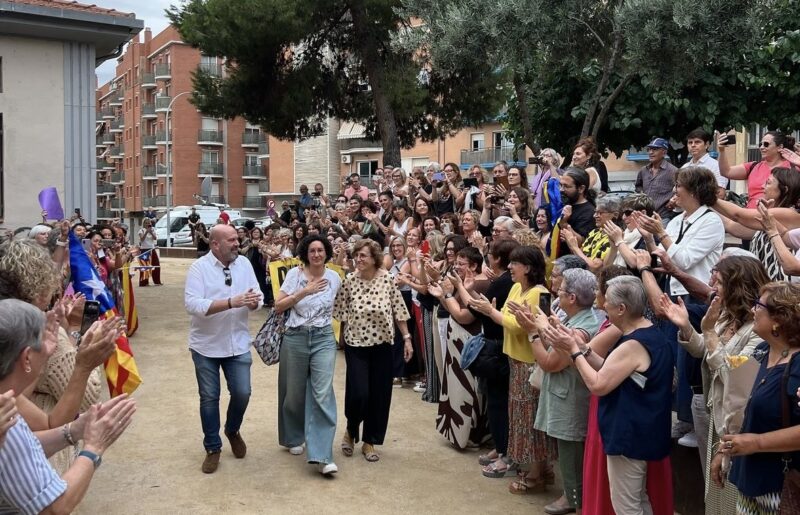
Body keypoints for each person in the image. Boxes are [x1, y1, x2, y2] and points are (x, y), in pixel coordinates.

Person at [0, 299, 137, 514]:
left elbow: (24, 444)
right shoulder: (4, 416)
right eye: (43, 342)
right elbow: (54, 508)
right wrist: (94, 447)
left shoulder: (7, 403)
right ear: (26, 357)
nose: (49, 349)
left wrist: (72, 431)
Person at [660, 257, 768, 514]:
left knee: (730, 497)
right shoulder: (725, 315)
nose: (710, 285)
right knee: (716, 495)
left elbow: (734, 374)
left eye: (717, 281)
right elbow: (704, 352)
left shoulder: (759, 328)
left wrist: (708, 332)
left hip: (739, 421)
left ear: (737, 284)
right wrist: (686, 326)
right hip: (717, 414)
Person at [558, 276, 673, 514]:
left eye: (607, 302)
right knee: (638, 501)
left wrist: (573, 352)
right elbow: (612, 370)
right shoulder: (653, 336)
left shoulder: (632, 345)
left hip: (630, 435)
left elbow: (599, 385)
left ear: (622, 308)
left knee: (627, 506)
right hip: (645, 431)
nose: (602, 306)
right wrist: (582, 348)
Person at [468, 246, 554, 495]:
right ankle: (541, 468)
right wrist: (497, 313)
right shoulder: (517, 288)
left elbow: (516, 325)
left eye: (515, 263)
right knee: (522, 417)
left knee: (531, 420)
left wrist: (492, 312)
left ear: (527, 267)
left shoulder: (540, 293)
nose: (510, 268)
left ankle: (537, 473)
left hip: (530, 363)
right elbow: (508, 317)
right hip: (515, 361)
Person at [519, 268, 602, 515]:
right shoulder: (572, 319)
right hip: (565, 395)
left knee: (571, 454)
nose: (557, 291)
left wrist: (533, 331)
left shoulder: (581, 328)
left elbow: (549, 362)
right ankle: (572, 496)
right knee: (568, 452)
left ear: (573, 297)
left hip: (572, 400)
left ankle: (573, 499)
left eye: (562, 289)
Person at [184, 224, 262, 473]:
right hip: (206, 346)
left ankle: (232, 429)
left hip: (237, 343)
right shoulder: (199, 268)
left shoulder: (245, 265)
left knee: (243, 392)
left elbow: (257, 296)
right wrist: (231, 302)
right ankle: (213, 447)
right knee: (209, 398)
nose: (237, 243)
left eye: (237, 239)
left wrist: (252, 303)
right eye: (231, 240)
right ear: (215, 244)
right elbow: (193, 304)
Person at [720, 282, 800, 512]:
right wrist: (723, 451)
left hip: (780, 487)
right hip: (750, 482)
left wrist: (756, 443)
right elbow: (744, 408)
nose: (752, 310)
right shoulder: (761, 352)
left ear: (779, 319)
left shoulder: (797, 365)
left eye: (758, 305)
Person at [333, 239, 412, 462]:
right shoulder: (349, 281)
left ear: (374, 258)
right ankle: (351, 429)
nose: (358, 259)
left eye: (363, 256)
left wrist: (406, 338)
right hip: (356, 344)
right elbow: (340, 311)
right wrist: (338, 339)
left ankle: (370, 441)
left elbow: (399, 310)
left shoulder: (387, 279)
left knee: (379, 394)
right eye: (356, 255)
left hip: (383, 345)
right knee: (359, 392)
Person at [275, 235, 341, 476]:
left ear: (326, 253)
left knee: (322, 393)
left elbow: (343, 304)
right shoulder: (294, 275)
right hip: (295, 337)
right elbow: (278, 305)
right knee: (293, 392)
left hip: (324, 337)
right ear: (305, 253)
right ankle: (293, 436)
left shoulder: (335, 277)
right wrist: (305, 291)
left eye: (320, 250)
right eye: (312, 250)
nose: (316, 254)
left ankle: (322, 454)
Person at [636, 166, 725, 298]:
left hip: (695, 295)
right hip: (672, 289)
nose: (673, 190)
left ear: (694, 191)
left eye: (678, 186)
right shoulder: (677, 220)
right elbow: (662, 259)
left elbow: (684, 261)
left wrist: (661, 233)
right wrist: (649, 238)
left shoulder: (711, 221)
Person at [712, 167, 800, 281]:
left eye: (768, 183)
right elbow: (732, 226)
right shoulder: (768, 217)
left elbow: (739, 215)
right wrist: (706, 203)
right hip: (764, 287)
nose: (763, 186)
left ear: (785, 189)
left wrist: (708, 197)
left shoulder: (789, 213)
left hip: (780, 290)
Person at [718, 130, 792, 208]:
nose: (761, 147)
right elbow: (726, 172)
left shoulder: (791, 168)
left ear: (780, 147)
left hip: (775, 217)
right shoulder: (753, 166)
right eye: (760, 144)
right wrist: (722, 150)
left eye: (766, 144)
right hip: (749, 216)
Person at [562, 196, 621, 273]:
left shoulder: (615, 236)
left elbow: (594, 268)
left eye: (600, 213)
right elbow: (580, 257)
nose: (595, 216)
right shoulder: (594, 232)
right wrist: (571, 242)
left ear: (615, 215)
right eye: (595, 212)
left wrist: (574, 247)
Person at [551, 167, 597, 257]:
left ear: (581, 189)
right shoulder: (565, 205)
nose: (561, 189)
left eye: (566, 186)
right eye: (561, 185)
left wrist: (564, 223)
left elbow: (581, 243)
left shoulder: (589, 212)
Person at [601, 193, 655, 268]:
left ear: (642, 213)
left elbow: (635, 263)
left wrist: (619, 241)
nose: (623, 217)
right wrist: (613, 247)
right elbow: (606, 266)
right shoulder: (625, 234)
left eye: (627, 213)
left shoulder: (651, 236)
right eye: (623, 213)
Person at [634, 137, 679, 220]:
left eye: (655, 149)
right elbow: (638, 187)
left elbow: (681, 189)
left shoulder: (673, 171)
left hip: (663, 217)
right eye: (649, 149)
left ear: (664, 152)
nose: (651, 152)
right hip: (644, 217)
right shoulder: (643, 170)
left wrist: (673, 200)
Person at [683, 128, 726, 198]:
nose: (693, 145)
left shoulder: (716, 166)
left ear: (707, 144)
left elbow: (720, 194)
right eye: (690, 142)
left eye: (697, 142)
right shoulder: (685, 167)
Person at [137, 218, 162, 286]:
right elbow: (142, 239)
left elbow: (155, 238)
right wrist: (146, 232)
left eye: (149, 223)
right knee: (145, 266)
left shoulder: (152, 229)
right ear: (144, 224)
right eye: (146, 223)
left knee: (156, 264)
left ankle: (157, 281)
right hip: (144, 249)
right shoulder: (141, 230)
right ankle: (144, 282)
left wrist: (150, 232)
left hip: (152, 249)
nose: (148, 224)